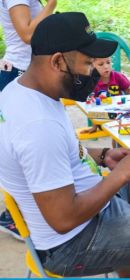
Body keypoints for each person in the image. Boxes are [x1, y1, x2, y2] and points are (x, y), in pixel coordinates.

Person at [0, 12, 130, 278]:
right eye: (87, 64)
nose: (92, 73)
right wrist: (119, 176)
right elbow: (63, 220)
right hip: (71, 243)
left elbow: (54, 156)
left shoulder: (23, 89)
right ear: (56, 61)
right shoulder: (38, 125)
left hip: (83, 211)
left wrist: (102, 155)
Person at [0, 0, 57, 240]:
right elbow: (26, 34)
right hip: (18, 73)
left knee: (30, 150)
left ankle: (18, 215)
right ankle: (12, 219)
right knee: (27, 150)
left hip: (27, 71)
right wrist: (51, 5)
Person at [81, 56, 130, 134]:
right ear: (92, 67)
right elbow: (92, 107)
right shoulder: (91, 82)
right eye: (101, 64)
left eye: (108, 62)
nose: (106, 66)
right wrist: (94, 125)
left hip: (120, 115)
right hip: (103, 118)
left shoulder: (117, 76)